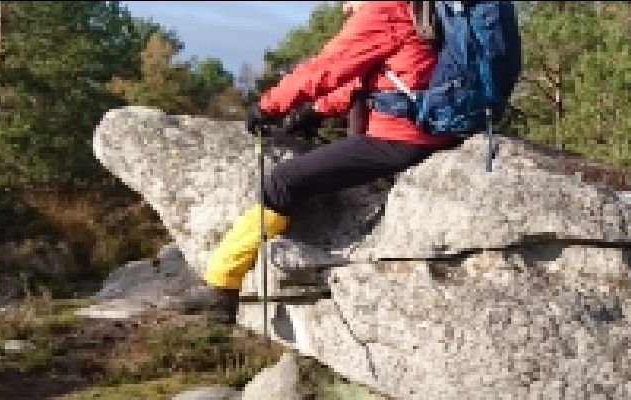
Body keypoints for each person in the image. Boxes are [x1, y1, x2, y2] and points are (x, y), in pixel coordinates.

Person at [188, 1, 461, 322]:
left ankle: (221, 286)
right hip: (438, 128)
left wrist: (268, 107)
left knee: (282, 181)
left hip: (402, 138)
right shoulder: (422, 8)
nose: (346, 7)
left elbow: (328, 67)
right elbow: (386, 77)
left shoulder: (385, 10)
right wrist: (316, 110)